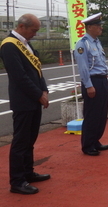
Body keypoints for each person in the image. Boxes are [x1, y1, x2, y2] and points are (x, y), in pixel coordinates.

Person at [0, 14, 50, 194]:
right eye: (33, 30)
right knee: (20, 142)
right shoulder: (9, 45)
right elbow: (19, 76)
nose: (35, 34)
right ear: (22, 26)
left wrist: (44, 91)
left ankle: (28, 172)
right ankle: (17, 181)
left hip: (35, 99)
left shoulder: (26, 44)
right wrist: (38, 95)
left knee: (30, 140)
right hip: (23, 101)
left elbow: (37, 70)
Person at [74, 13, 108, 156]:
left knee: (101, 114)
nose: (100, 28)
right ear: (90, 27)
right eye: (98, 26)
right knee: (92, 115)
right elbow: (83, 67)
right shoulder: (83, 44)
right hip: (92, 81)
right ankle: (88, 145)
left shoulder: (96, 42)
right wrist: (89, 85)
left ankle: (96, 140)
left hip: (101, 80)